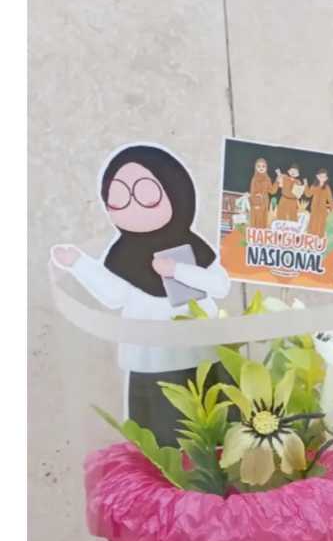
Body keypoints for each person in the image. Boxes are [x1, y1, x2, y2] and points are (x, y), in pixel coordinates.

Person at [51, 143, 231, 443]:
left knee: (211, 435)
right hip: (150, 361)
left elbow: (220, 285)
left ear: (175, 191)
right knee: (156, 440)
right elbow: (113, 295)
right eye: (119, 197)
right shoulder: (122, 255)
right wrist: (78, 263)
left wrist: (177, 270)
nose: (131, 205)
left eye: (145, 193)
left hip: (200, 356)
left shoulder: (194, 247)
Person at [307, 168, 333, 239]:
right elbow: (308, 194)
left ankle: (319, 239)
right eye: (321, 176)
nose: (322, 178)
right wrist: (306, 186)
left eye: (324, 177)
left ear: (326, 178)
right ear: (317, 177)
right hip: (314, 208)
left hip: (322, 209)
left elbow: (330, 198)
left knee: (321, 224)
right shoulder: (314, 186)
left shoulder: (327, 187)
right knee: (313, 223)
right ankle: (311, 238)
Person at [248, 157, 274, 229]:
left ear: (266, 168)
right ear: (255, 167)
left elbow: (272, 191)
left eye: (263, 166)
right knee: (256, 221)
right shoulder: (254, 179)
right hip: (257, 201)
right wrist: (255, 203)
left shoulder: (268, 179)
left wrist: (278, 181)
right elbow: (252, 192)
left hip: (265, 202)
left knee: (263, 221)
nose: (261, 168)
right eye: (259, 166)